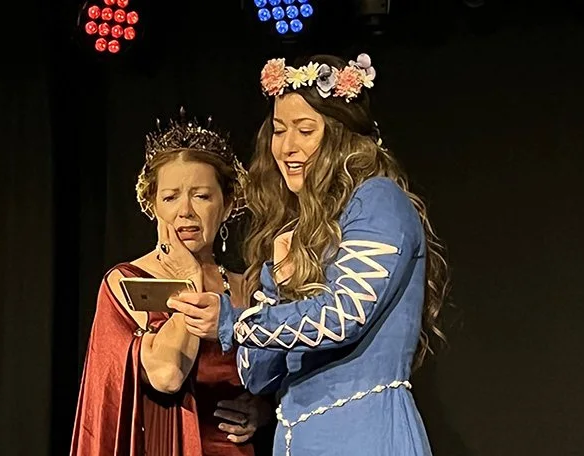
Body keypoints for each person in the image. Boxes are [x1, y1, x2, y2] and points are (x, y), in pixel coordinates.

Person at [168, 54, 451, 455]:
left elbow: (344, 315)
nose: (287, 147)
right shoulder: (295, 234)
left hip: (365, 432)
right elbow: (258, 375)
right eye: (279, 130)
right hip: (295, 442)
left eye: (305, 130)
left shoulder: (378, 199)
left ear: (339, 137)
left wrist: (234, 321)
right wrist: (281, 283)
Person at [70, 110, 275, 456]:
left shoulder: (251, 286)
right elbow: (166, 375)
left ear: (226, 206)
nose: (186, 211)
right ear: (152, 206)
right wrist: (190, 279)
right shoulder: (125, 282)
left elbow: (282, 379)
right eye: (170, 197)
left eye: (201, 196)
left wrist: (265, 411)